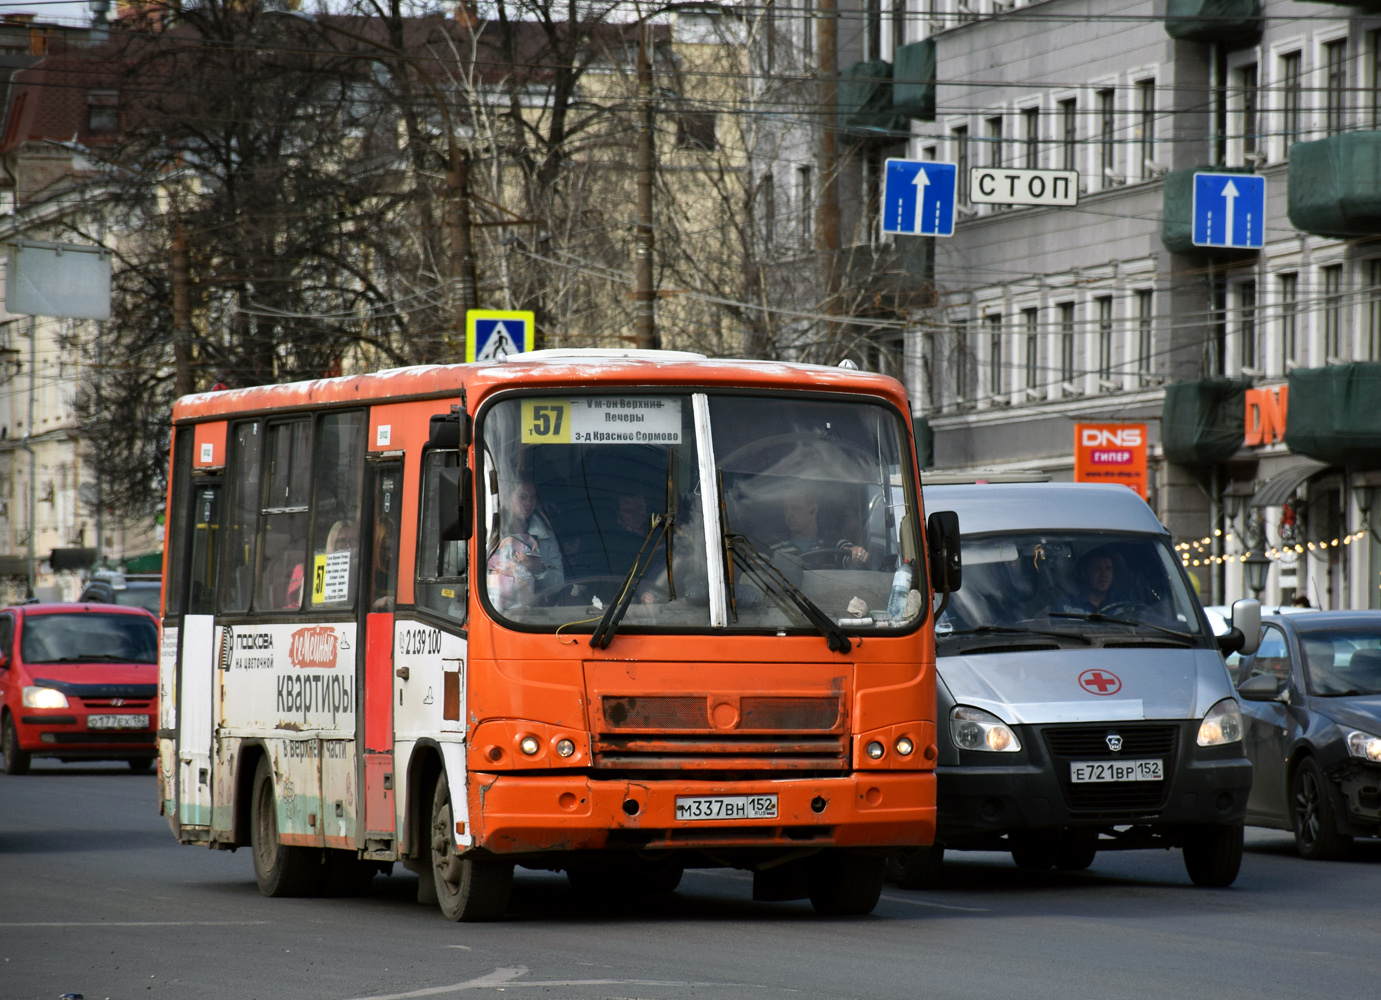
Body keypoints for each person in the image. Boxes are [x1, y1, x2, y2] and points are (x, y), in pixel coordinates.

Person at [486, 478, 564, 611]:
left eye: (533, 498)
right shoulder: (487, 530)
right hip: (490, 611)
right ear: (507, 497)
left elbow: (558, 583)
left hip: (528, 616)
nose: (528, 503)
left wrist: (538, 569)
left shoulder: (545, 536)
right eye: (522, 497)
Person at [774, 492, 870, 569]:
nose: (788, 515)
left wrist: (856, 554)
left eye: (795, 508)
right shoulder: (775, 548)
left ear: (814, 509)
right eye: (785, 509)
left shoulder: (833, 543)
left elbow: (850, 559)